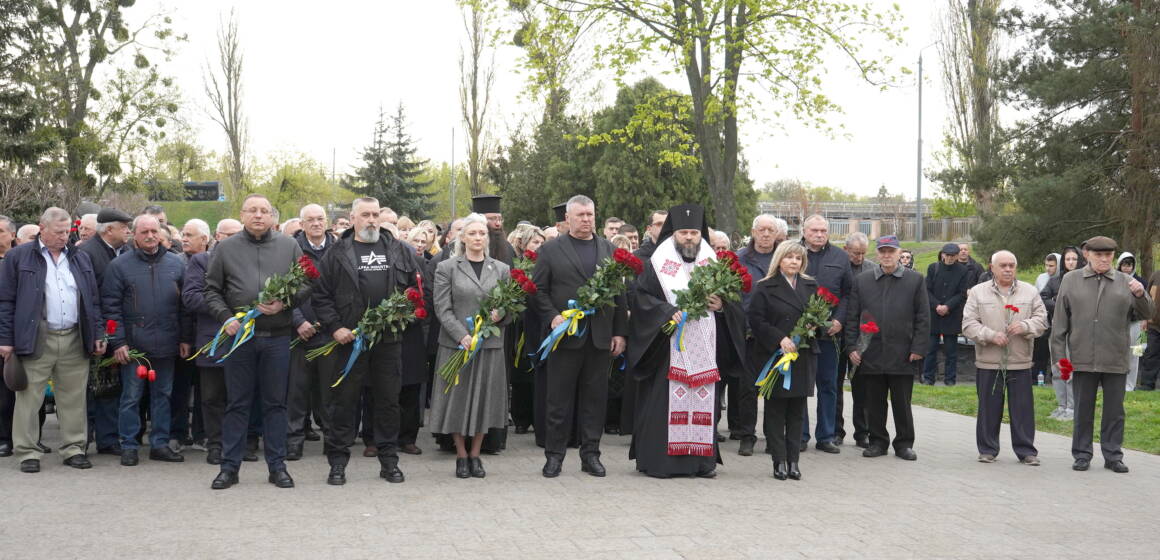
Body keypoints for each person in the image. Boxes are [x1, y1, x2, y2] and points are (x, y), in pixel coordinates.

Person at [626, 204, 745, 478]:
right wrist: (666, 311)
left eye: (694, 232)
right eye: (683, 233)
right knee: (663, 405)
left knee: (703, 400)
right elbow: (641, 299)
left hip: (706, 348)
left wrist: (722, 306)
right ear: (673, 234)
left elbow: (737, 306)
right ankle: (662, 463)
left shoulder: (714, 265)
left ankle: (701, 463)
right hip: (666, 349)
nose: (689, 238)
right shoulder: (657, 264)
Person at [312, 197, 423, 486]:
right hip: (349, 342)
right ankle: (338, 463)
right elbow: (321, 295)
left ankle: (389, 461)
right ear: (353, 218)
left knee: (388, 402)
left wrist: (402, 316)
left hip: (388, 340)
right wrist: (335, 327)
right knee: (343, 403)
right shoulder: (336, 252)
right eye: (365, 215)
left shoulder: (400, 250)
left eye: (375, 214)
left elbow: (416, 291)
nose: (371, 220)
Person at [203, 194, 308, 490]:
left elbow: (306, 283)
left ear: (272, 217)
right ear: (242, 215)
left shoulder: (289, 246)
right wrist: (226, 317)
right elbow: (211, 289)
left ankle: (277, 467)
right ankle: (229, 468)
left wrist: (285, 303)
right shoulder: (226, 248)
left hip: (277, 338)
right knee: (237, 404)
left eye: (264, 211)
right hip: (240, 339)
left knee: (276, 404)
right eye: (252, 210)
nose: (258, 215)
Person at [0, 207, 105, 473]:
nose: (64, 237)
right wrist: (6, 339)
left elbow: (92, 300)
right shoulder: (18, 256)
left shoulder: (79, 257)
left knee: (73, 398)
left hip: (74, 336)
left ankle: (74, 448)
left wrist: (97, 333)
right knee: (29, 397)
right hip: (36, 337)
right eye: (58, 232)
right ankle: (27, 452)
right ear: (42, 228)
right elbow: (6, 301)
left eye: (67, 231)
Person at [531, 194, 628, 478]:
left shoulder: (609, 250)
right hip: (565, 337)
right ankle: (554, 456)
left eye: (590, 215)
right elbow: (538, 291)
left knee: (595, 401)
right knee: (558, 401)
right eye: (581, 215)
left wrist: (620, 332)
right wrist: (552, 317)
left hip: (599, 338)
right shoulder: (551, 250)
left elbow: (619, 294)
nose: (586, 220)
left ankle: (591, 455)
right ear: (568, 219)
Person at [1051, 236, 1152, 474]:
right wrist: (1060, 359)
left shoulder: (1126, 282)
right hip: (1082, 357)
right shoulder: (1071, 280)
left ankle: (1113, 455)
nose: (1104, 259)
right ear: (1087, 254)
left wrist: (1141, 295)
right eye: (1099, 255)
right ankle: (1082, 454)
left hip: (1115, 357)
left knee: (1115, 412)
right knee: (1082, 410)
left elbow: (1147, 314)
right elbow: (1059, 324)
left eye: (1108, 255)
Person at [102, 214, 191, 466]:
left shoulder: (176, 264)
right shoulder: (119, 266)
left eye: (154, 231)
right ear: (134, 235)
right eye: (144, 232)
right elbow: (110, 308)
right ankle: (129, 445)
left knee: (163, 395)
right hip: (133, 346)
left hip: (167, 343)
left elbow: (185, 307)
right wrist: (118, 342)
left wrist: (185, 338)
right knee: (131, 397)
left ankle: (159, 444)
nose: (150, 236)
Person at [430, 214, 511, 478]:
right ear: (462, 238)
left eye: (482, 233)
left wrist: (501, 314)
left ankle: (476, 454)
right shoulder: (447, 267)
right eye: (473, 233)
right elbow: (442, 307)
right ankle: (461, 455)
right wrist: (461, 335)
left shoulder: (501, 269)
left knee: (484, 399)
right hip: (457, 346)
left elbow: (509, 306)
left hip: (488, 345)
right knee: (456, 399)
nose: (478, 238)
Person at [844, 235, 929, 461]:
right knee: (874, 402)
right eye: (883, 251)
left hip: (903, 352)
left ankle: (904, 444)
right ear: (877, 254)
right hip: (871, 352)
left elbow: (923, 317)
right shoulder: (862, 281)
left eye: (891, 251)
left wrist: (918, 347)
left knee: (902, 403)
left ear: (899, 253)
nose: (887, 255)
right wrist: (851, 347)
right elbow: (852, 317)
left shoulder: (915, 280)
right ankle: (878, 442)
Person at [961, 251, 1048, 465]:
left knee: (1022, 409)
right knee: (989, 408)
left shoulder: (1030, 291)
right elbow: (968, 324)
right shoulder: (978, 292)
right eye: (1003, 265)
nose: (1008, 269)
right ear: (992, 268)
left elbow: (1042, 320)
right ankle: (988, 449)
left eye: (1011, 265)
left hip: (1020, 361)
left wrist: (1025, 326)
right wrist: (990, 335)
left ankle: (1026, 451)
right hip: (989, 361)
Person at [748, 241, 818, 480]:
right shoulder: (765, 287)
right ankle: (779, 460)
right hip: (775, 356)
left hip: (801, 355)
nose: (794, 262)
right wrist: (780, 338)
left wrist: (813, 327)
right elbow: (756, 320)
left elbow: (819, 315)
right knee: (776, 411)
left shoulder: (810, 285)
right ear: (779, 259)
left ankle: (794, 461)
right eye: (789, 257)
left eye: (798, 258)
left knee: (797, 412)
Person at [76, 208, 133, 456]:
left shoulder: (127, 251)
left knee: (109, 386)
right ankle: (82, 439)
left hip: (117, 328)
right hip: (95, 331)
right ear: (109, 229)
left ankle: (108, 439)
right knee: (89, 388)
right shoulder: (87, 253)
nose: (128, 232)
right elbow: (88, 297)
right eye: (124, 227)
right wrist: (98, 332)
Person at [798, 215, 852, 455]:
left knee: (828, 385)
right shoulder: (793, 252)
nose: (819, 234)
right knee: (800, 385)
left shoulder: (840, 257)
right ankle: (800, 435)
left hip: (829, 334)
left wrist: (839, 320)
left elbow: (848, 293)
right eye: (814, 230)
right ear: (804, 231)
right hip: (800, 333)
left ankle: (826, 435)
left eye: (823, 230)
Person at [286, 204, 336, 460]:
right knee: (297, 392)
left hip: (330, 332)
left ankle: (332, 440)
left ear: (326, 222)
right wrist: (298, 321)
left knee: (330, 392)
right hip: (300, 333)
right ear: (302, 224)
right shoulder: (291, 249)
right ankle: (294, 440)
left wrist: (335, 324)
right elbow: (283, 290)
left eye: (320, 219)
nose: (316, 223)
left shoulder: (339, 249)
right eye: (310, 220)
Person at [731, 214, 783, 455]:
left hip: (775, 334)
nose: (765, 234)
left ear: (776, 233)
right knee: (747, 388)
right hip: (747, 334)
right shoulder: (740, 258)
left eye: (770, 230)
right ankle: (747, 436)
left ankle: (773, 438)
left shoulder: (783, 257)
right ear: (753, 232)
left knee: (774, 388)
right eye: (761, 229)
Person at [835, 231, 871, 447]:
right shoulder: (839, 267)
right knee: (836, 384)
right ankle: (836, 430)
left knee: (862, 387)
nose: (859, 257)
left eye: (863, 253)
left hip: (861, 337)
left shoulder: (872, 269)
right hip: (838, 334)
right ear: (846, 249)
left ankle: (862, 432)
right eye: (856, 253)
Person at [1040, 246, 1083, 420]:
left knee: (1070, 369)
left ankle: (1072, 407)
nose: (1071, 262)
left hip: (1076, 331)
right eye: (1068, 259)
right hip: (1057, 330)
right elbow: (1042, 298)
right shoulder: (1055, 281)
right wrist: (1059, 304)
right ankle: (1061, 405)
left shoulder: (1084, 280)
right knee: (1057, 368)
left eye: (1074, 259)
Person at [923, 243, 968, 386]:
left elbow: (962, 293)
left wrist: (948, 306)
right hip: (934, 314)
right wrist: (936, 305)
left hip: (951, 314)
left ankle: (950, 379)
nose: (950, 258)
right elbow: (926, 290)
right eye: (947, 255)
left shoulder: (962, 270)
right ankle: (928, 378)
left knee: (951, 351)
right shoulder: (933, 268)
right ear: (942, 254)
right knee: (930, 349)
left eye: (953, 256)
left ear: (957, 256)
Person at [1116, 252, 1146, 391]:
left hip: (1136, 323)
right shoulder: (1114, 280)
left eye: (1129, 265)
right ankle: (1118, 383)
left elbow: (1146, 304)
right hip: (1118, 323)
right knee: (1118, 353)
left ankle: (1130, 384)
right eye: (1124, 265)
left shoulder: (1141, 282)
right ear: (1119, 265)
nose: (1127, 268)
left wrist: (1144, 320)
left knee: (1135, 353)